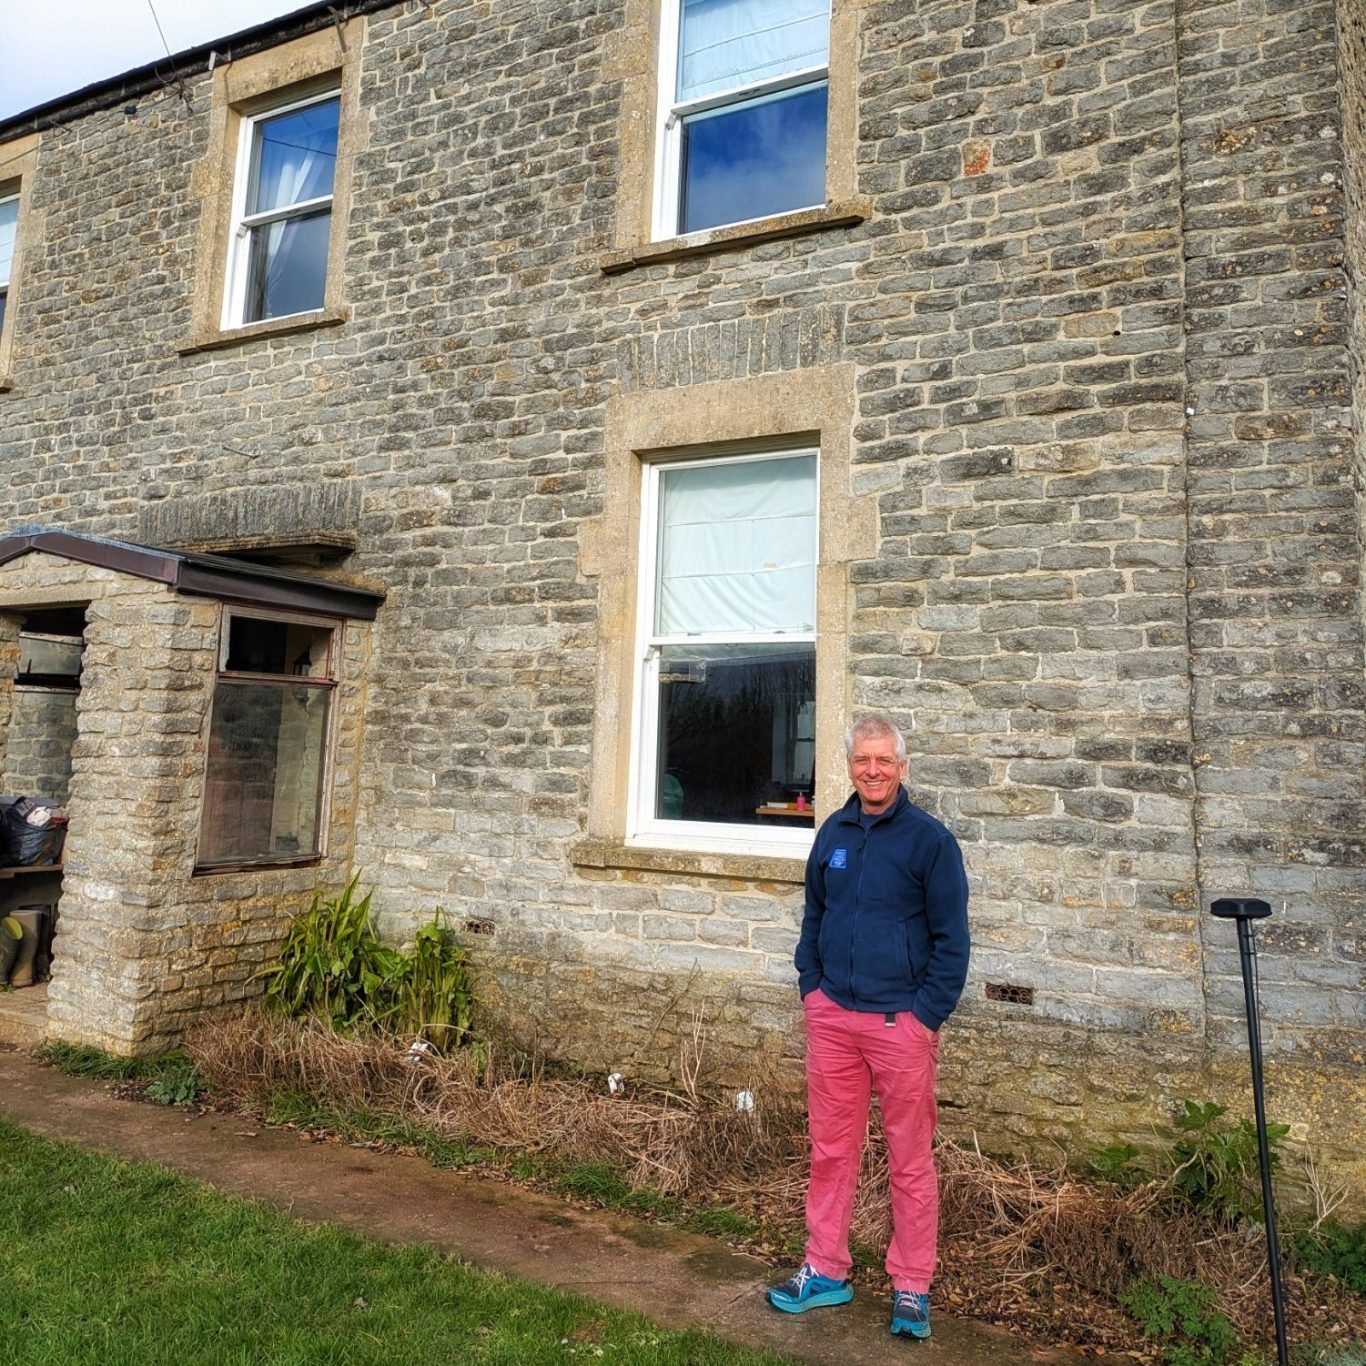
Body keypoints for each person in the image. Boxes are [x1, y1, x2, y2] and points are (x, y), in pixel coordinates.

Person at [766, 713, 970, 1340]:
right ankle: (826, 1269)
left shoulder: (930, 842)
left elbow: (952, 942)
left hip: (898, 1024)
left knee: (910, 1160)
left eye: (884, 760)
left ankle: (911, 1285)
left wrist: (924, 1018)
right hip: (833, 1020)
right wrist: (811, 987)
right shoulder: (833, 831)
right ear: (849, 765)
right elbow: (815, 913)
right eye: (863, 760)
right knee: (831, 1152)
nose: (873, 770)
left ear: (902, 767)